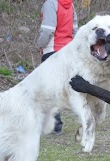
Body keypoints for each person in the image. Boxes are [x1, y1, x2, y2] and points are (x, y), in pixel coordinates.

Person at [37, 0, 78, 134]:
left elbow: (48, 30)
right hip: (67, 50)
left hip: (53, 50)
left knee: (50, 90)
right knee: (60, 90)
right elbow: (74, 30)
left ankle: (54, 126)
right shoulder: (70, 4)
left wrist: (40, 44)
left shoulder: (50, 3)